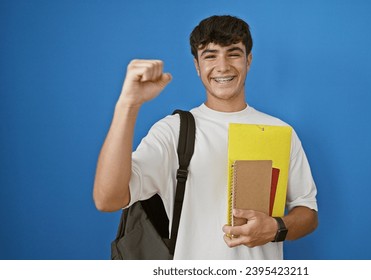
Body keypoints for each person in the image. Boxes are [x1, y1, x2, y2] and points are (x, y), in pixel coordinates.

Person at [93, 15, 318, 260]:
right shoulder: (173, 131)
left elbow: (308, 212)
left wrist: (275, 228)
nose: (222, 66)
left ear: (248, 60)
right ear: (197, 66)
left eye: (233, 53)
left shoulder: (280, 131)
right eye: (210, 55)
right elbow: (108, 199)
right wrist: (128, 105)